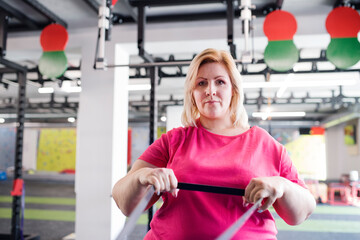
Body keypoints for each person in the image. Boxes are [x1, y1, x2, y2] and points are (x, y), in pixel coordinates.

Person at [112, 48, 316, 239]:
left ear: (234, 90)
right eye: (201, 83)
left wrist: (283, 185)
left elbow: (302, 212)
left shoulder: (264, 143)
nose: (210, 90)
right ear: (192, 93)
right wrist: (142, 176)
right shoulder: (174, 140)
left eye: (220, 82)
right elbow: (124, 202)